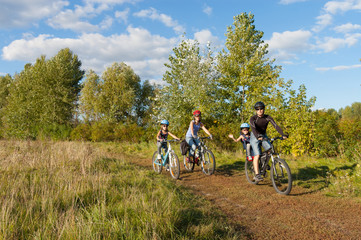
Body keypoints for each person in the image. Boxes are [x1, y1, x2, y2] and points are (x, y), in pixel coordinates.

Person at [250, 101, 287, 182]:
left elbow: (276, 126)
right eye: (257, 109)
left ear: (264, 109)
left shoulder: (268, 117)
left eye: (261, 108)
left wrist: (282, 134)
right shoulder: (253, 118)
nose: (259, 110)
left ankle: (264, 164)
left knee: (270, 150)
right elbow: (253, 128)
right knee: (257, 155)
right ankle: (257, 175)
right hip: (254, 135)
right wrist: (257, 136)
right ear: (255, 110)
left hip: (263, 135)